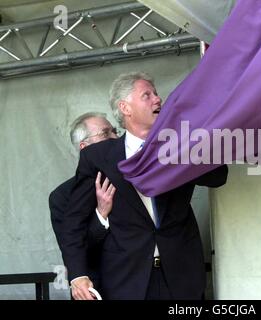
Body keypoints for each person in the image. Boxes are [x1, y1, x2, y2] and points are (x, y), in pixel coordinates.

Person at [61, 72, 228, 300]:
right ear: (125, 108)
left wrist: (186, 144)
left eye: (156, 94)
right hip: (127, 280)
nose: (157, 99)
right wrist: (78, 275)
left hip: (181, 276)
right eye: (146, 95)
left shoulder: (180, 145)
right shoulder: (98, 156)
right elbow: (73, 222)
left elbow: (218, 176)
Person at [49, 112, 118, 295]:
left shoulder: (130, 180)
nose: (115, 137)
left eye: (115, 131)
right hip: (98, 290)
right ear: (84, 147)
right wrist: (101, 215)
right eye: (105, 133)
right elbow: (75, 249)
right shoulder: (62, 196)